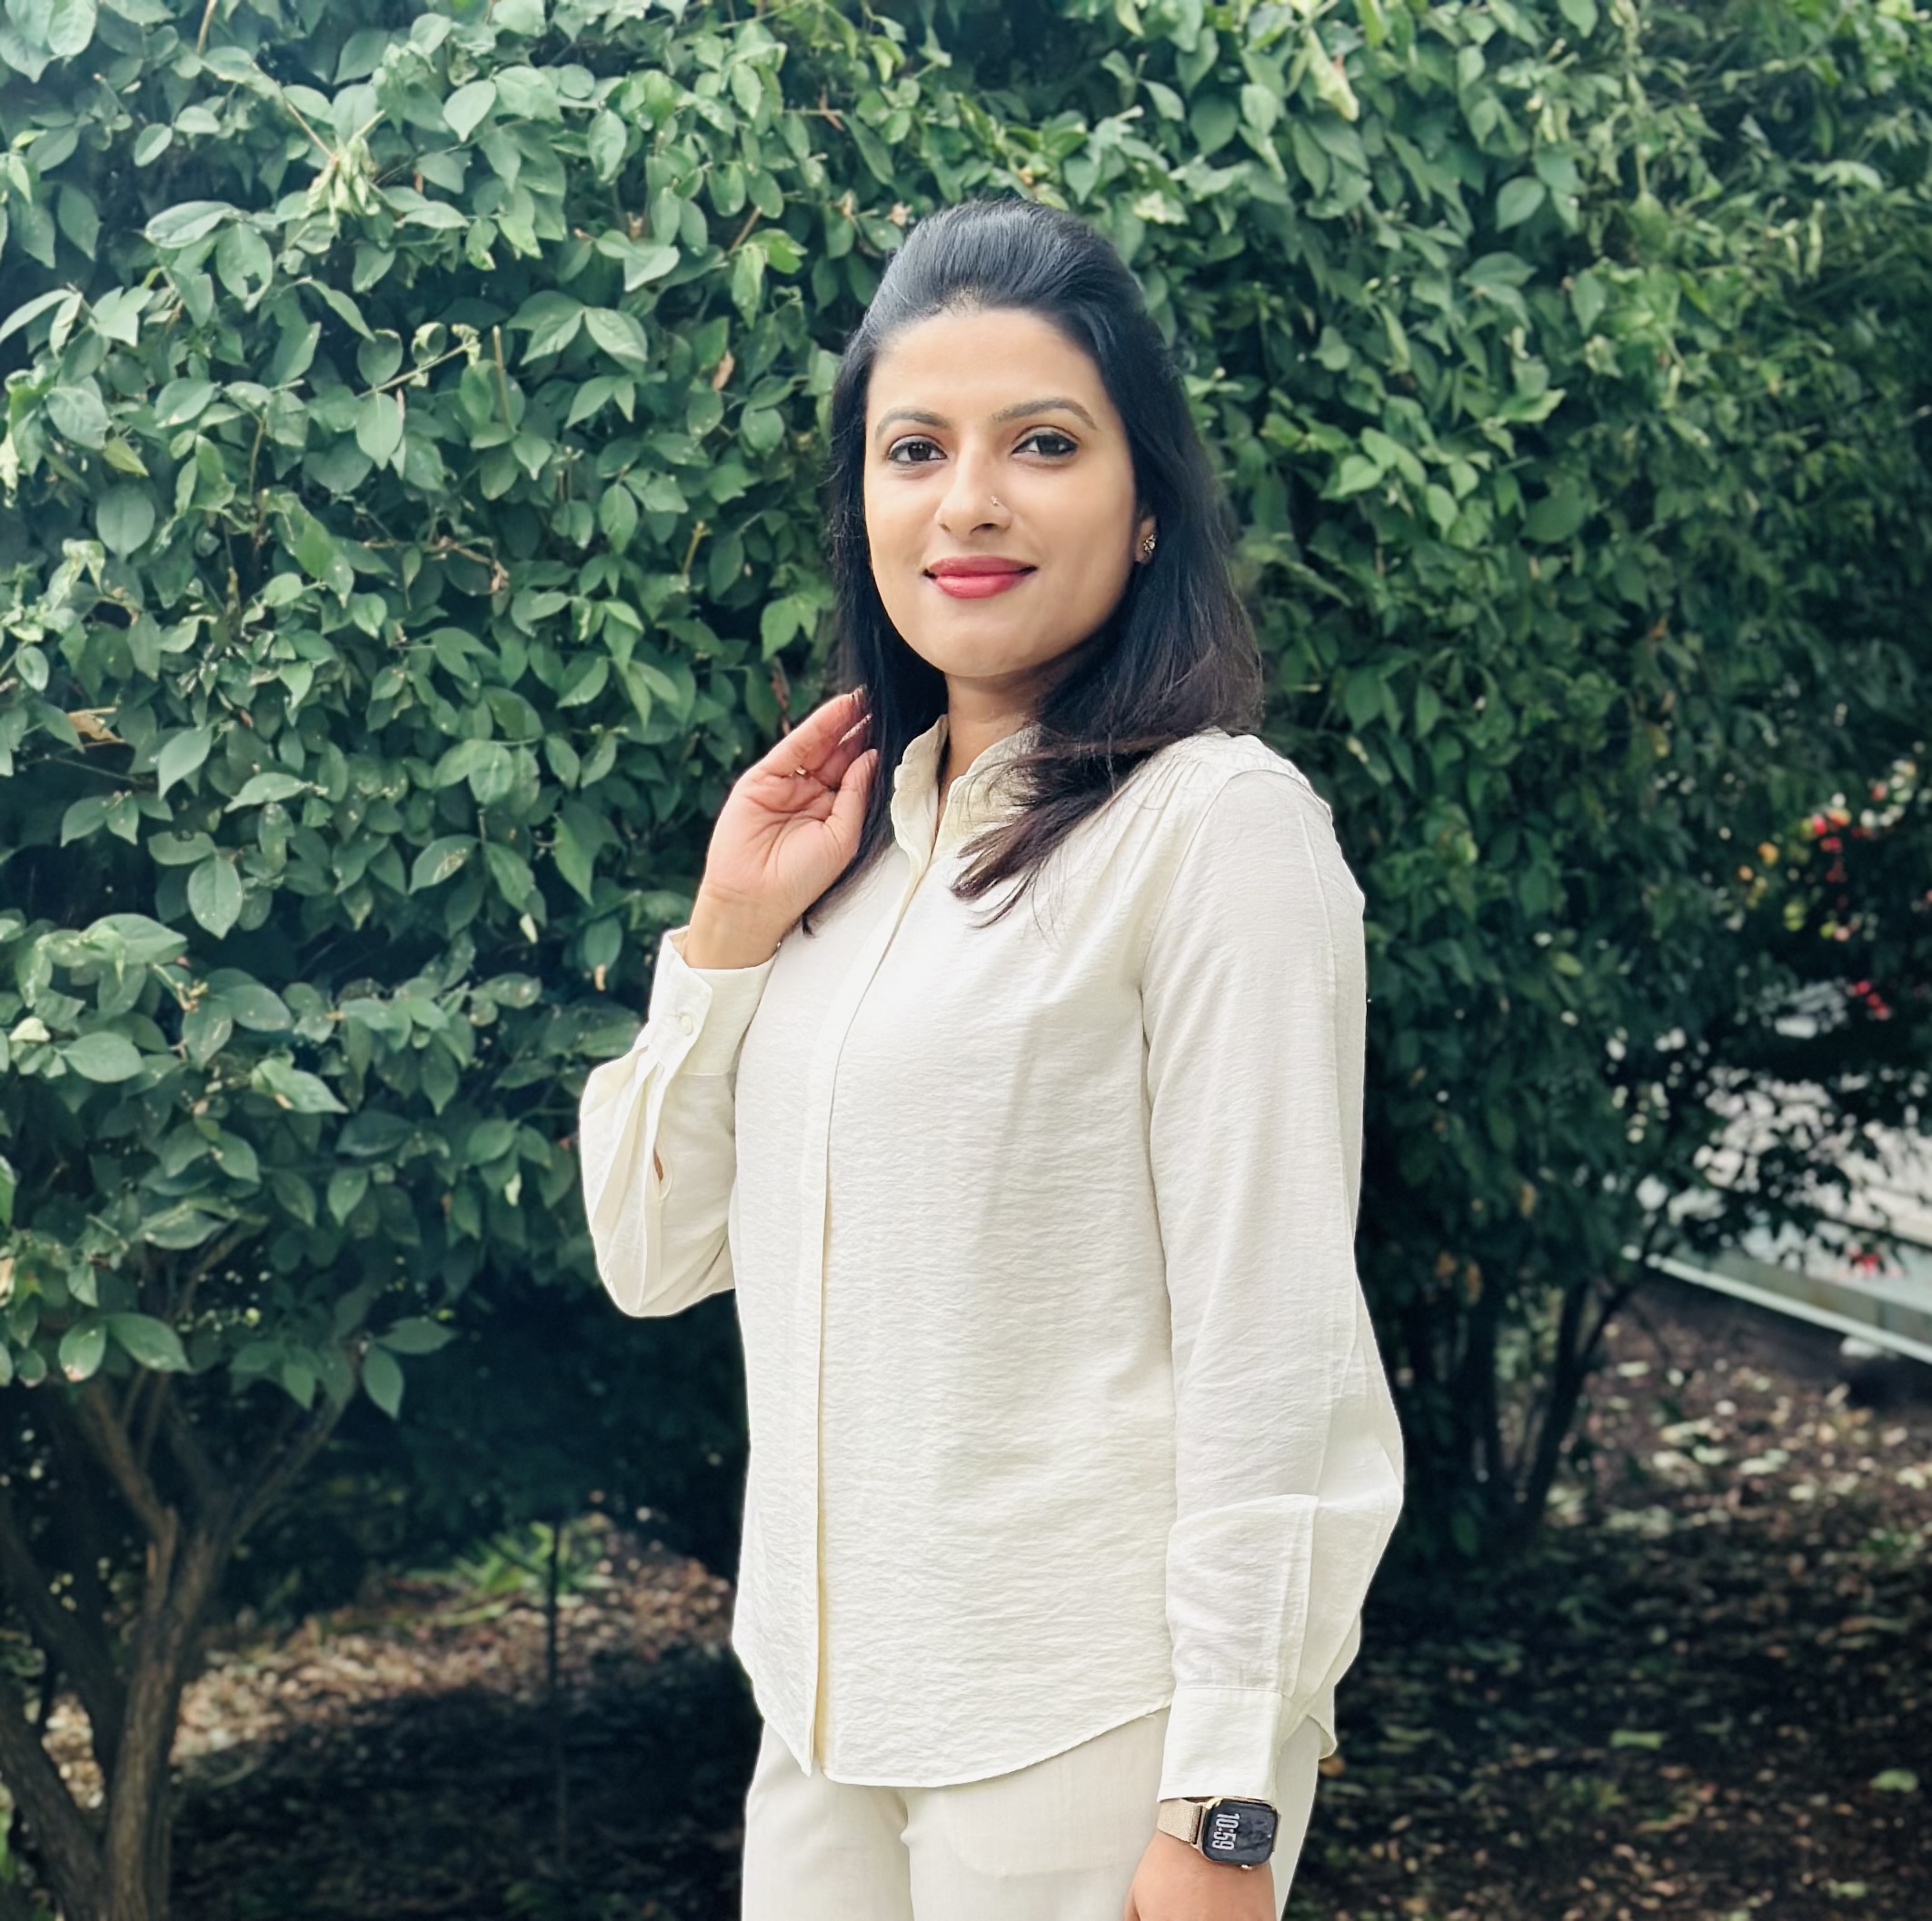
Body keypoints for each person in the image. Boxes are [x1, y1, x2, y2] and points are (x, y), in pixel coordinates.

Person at [577, 195, 1407, 1921]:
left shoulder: (1214, 829)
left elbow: (1276, 1348)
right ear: (862, 504)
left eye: (1041, 442)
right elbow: (653, 1253)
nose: (966, 501)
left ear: (1145, 501)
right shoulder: (850, 856)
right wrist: (725, 937)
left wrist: (1226, 1806)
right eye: (913, 449)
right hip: (818, 1717)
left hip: (1077, 1734)